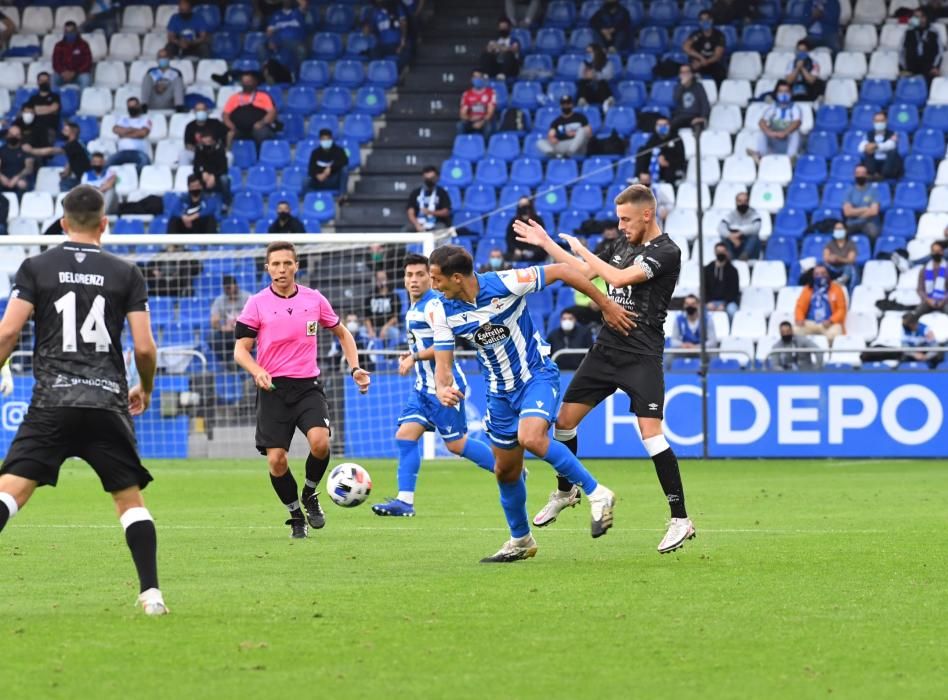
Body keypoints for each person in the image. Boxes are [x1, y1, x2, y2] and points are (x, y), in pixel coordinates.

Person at [0, 185, 167, 616]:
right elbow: (146, 349)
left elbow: (7, 333)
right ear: (105, 224)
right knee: (129, 501)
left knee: (11, 493)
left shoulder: (36, 267)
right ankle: (151, 595)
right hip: (106, 401)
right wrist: (144, 388)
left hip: (51, 401)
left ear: (62, 222)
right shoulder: (125, 272)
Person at [512, 184, 696, 555]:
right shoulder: (621, 246)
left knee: (651, 435)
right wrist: (548, 242)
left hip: (641, 354)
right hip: (606, 350)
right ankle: (566, 491)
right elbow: (579, 270)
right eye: (618, 219)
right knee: (563, 422)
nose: (621, 225)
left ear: (648, 214)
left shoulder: (667, 251)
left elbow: (616, 280)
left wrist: (582, 249)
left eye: (626, 219)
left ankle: (680, 519)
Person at [428, 245, 630, 562]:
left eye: (436, 279)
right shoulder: (440, 309)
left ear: (456, 277)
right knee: (506, 472)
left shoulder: (506, 282)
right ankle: (521, 540)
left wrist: (604, 305)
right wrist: (442, 387)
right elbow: (443, 362)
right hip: (498, 393)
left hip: (536, 376)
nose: (433, 285)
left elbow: (563, 271)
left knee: (532, 437)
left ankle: (597, 493)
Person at [234, 241, 372, 538]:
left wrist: (355, 367)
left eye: (287, 263)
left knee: (321, 443)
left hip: (307, 385)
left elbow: (342, 333)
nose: (281, 269)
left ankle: (310, 493)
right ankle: (296, 515)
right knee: (276, 460)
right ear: (267, 268)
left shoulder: (314, 299)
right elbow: (240, 351)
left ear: (296, 266)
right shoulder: (256, 303)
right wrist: (257, 370)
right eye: (275, 264)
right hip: (273, 388)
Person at [372, 254, 497, 516]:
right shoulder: (415, 306)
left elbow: (444, 345)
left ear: (431, 277)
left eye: (420, 274)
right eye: (409, 275)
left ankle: (509, 469)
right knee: (405, 436)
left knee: (456, 445)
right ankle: (405, 502)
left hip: (445, 385)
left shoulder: (435, 305)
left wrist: (414, 357)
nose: (414, 280)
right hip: (423, 387)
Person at [747, 81, 802, 162]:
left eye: (786, 91)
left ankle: (791, 158)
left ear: (791, 93)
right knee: (762, 132)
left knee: (795, 133)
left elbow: (796, 122)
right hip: (774, 136)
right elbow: (761, 122)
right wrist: (770, 132)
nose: (783, 94)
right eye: (781, 91)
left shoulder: (795, 108)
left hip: (787, 135)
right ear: (776, 94)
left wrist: (785, 132)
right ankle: (761, 156)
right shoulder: (773, 107)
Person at [222, 72, 277, 149]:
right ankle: (229, 155)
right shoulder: (234, 98)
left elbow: (272, 112)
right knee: (226, 133)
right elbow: (225, 114)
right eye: (244, 82)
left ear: (255, 82)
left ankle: (261, 156)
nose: (246, 84)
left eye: (249, 81)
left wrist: (262, 123)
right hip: (238, 128)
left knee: (262, 134)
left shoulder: (264, 96)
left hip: (258, 127)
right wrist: (230, 124)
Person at [794, 264, 846, 342]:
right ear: (813, 276)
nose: (820, 276)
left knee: (835, 333)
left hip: (829, 324)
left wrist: (831, 320)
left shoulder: (837, 288)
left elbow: (841, 309)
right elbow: (799, 307)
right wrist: (800, 318)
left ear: (828, 274)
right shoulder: (807, 289)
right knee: (795, 331)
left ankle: (829, 353)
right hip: (810, 323)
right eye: (817, 274)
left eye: (823, 273)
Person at [210, 275, 251, 364]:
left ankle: (241, 360)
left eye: (231, 288)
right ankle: (229, 361)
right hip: (227, 333)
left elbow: (255, 318)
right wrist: (222, 327)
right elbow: (214, 321)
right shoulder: (219, 300)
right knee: (212, 337)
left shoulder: (248, 297)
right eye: (227, 289)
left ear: (236, 286)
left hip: (244, 332)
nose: (230, 291)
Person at [261, 0, 308, 77]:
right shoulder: (276, 15)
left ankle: (299, 74)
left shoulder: (298, 12)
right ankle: (266, 72)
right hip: (279, 42)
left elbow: (304, 3)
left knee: (300, 49)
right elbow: (269, 31)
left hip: (295, 42)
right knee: (261, 47)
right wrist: (270, 40)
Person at [107, 98, 152, 172]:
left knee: (144, 163)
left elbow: (143, 133)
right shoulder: (122, 119)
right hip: (122, 152)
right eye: (130, 107)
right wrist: (134, 130)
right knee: (108, 163)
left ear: (138, 106)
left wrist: (124, 133)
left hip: (138, 152)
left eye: (134, 106)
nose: (132, 108)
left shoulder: (145, 119)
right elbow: (115, 129)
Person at [683, 10, 727, 86]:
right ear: (699, 22)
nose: (705, 22)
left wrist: (705, 62)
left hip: (712, 63)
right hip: (698, 62)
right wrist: (700, 58)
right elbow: (685, 47)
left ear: (712, 20)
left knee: (721, 73)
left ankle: (718, 92)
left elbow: (717, 55)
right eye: (702, 20)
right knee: (686, 71)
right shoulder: (696, 34)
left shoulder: (719, 35)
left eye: (707, 19)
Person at [635, 118, 685, 184]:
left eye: (664, 125)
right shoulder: (653, 138)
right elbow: (646, 154)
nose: (662, 127)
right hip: (654, 170)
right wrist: (642, 172)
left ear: (669, 126)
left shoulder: (676, 138)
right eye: (660, 125)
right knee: (641, 150)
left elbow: (681, 158)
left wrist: (667, 160)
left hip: (670, 170)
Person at [901, 8, 943, 82]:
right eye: (916, 17)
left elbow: (939, 52)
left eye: (922, 17)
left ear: (927, 17)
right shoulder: (908, 32)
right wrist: (903, 68)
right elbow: (901, 51)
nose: (920, 20)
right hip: (911, 69)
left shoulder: (933, 32)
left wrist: (935, 67)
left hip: (929, 69)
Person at [363, 0, 409, 67]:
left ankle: (399, 73)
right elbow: (368, 31)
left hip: (396, 44)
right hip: (382, 45)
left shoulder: (397, 8)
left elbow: (403, 24)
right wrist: (366, 28)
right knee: (373, 52)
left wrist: (402, 42)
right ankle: (378, 73)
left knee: (406, 52)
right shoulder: (374, 12)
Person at [405, 165, 451, 232]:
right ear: (423, 178)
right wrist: (417, 224)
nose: (429, 181)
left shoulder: (442, 193)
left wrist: (431, 212)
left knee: (442, 229)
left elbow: (446, 212)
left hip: (436, 223)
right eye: (427, 179)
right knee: (406, 229)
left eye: (432, 178)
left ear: (437, 178)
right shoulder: (416, 192)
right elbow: (410, 212)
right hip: (419, 222)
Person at [718, 192, 762, 260]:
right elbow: (721, 228)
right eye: (740, 201)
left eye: (745, 201)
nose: (743, 204)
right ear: (736, 202)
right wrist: (731, 237)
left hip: (748, 246)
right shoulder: (731, 214)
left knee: (754, 236)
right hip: (733, 244)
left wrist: (739, 234)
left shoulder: (754, 214)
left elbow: (756, 228)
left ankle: (744, 256)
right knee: (723, 236)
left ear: (748, 202)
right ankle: (730, 258)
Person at [859, 111, 902, 181]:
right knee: (867, 152)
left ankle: (883, 175)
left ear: (886, 121)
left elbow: (890, 145)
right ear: (873, 121)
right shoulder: (869, 134)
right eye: (877, 121)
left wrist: (874, 146)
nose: (879, 123)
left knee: (892, 152)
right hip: (875, 163)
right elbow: (861, 147)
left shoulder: (893, 133)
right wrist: (867, 147)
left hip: (888, 165)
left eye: (882, 121)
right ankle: (873, 174)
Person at [363, 269, 402, 346]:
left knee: (396, 333)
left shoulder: (394, 296)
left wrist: (385, 328)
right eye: (378, 279)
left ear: (387, 280)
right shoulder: (370, 296)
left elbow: (395, 317)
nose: (380, 281)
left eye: (383, 279)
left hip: (388, 328)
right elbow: (366, 317)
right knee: (361, 332)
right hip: (373, 328)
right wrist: (370, 330)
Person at [843, 164, 882, 240]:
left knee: (874, 233)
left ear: (866, 175)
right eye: (858, 173)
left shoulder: (873, 191)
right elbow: (847, 212)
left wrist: (854, 212)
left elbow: (874, 211)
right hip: (851, 223)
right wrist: (865, 209)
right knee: (840, 235)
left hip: (868, 223)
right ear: (854, 175)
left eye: (863, 173)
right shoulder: (849, 191)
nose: (860, 176)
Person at [25, 73, 63, 150]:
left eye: (46, 80)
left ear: (50, 82)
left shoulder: (55, 96)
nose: (44, 82)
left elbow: (54, 108)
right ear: (38, 82)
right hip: (33, 130)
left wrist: (35, 110)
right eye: (41, 80)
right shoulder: (33, 98)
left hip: (49, 130)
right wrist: (47, 109)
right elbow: (26, 110)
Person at [52, 22, 93, 90]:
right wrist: (63, 72)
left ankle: (81, 100)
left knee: (86, 79)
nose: (69, 34)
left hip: (79, 74)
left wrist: (75, 72)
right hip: (63, 74)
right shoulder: (59, 45)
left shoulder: (83, 44)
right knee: (53, 78)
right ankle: (55, 100)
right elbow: (55, 63)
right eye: (67, 32)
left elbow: (87, 62)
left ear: (76, 31)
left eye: (71, 31)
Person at [670, 64, 711, 133]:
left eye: (687, 72)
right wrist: (682, 86)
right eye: (682, 72)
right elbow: (675, 100)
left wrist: (702, 117)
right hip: (681, 116)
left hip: (695, 116)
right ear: (679, 75)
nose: (685, 74)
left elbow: (705, 104)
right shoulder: (677, 87)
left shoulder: (698, 86)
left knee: (697, 127)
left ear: (691, 74)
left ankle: (696, 144)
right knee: (669, 127)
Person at [704, 242, 740, 318]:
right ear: (715, 252)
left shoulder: (733, 271)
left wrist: (724, 304)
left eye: (722, 251)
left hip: (727, 302)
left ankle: (731, 329)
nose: (720, 253)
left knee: (732, 310)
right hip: (710, 302)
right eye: (718, 251)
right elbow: (704, 288)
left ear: (726, 252)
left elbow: (734, 291)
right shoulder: (708, 269)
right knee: (700, 310)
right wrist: (708, 302)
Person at [192, 129, 230, 201]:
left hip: (217, 175)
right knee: (192, 179)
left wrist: (214, 176)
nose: (206, 142)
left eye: (208, 140)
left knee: (224, 179)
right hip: (204, 174)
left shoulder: (220, 149)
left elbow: (223, 168)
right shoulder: (199, 149)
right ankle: (196, 201)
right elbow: (196, 166)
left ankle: (226, 201)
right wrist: (202, 172)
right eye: (204, 140)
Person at [506, 198, 547, 263]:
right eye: (522, 205)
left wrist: (533, 251)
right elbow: (509, 239)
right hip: (518, 252)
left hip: (535, 252)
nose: (524, 208)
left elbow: (542, 238)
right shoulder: (514, 221)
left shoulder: (537, 220)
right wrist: (515, 250)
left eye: (526, 205)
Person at [457, 71, 497, 138]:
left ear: (483, 79)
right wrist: (470, 119)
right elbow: (462, 114)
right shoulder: (467, 94)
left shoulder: (490, 93)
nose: (477, 79)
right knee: (460, 125)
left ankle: (485, 147)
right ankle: (463, 145)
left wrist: (481, 122)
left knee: (488, 128)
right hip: (471, 120)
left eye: (479, 77)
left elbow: (490, 113)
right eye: (475, 77)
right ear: (472, 79)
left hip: (484, 120)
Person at [823, 224, 859, 293]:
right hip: (832, 267)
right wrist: (831, 259)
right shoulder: (829, 244)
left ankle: (842, 281)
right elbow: (826, 257)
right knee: (823, 267)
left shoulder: (851, 244)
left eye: (840, 229)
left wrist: (839, 259)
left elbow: (851, 260)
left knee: (850, 267)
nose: (838, 231)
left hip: (845, 267)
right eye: (836, 229)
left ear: (845, 231)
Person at [915, 240, 948, 316]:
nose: (937, 253)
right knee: (916, 313)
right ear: (931, 252)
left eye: (939, 251)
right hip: (928, 300)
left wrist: (943, 300)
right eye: (935, 251)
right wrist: (927, 299)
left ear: (943, 252)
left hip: (945, 301)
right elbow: (920, 289)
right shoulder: (924, 269)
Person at [0, 126, 36, 194]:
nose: (13, 137)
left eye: (17, 135)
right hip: (4, 179)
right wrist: (2, 178)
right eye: (11, 134)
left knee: (21, 184)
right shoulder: (2, 150)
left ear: (21, 136)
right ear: (7, 135)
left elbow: (29, 169)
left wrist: (16, 178)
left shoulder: (25, 150)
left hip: (21, 178)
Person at [58, 122, 91, 191]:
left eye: (65, 130)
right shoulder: (77, 143)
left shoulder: (74, 144)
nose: (62, 132)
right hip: (81, 177)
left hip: (85, 178)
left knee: (64, 183)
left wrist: (33, 150)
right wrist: (66, 172)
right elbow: (71, 160)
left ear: (74, 131)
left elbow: (53, 151)